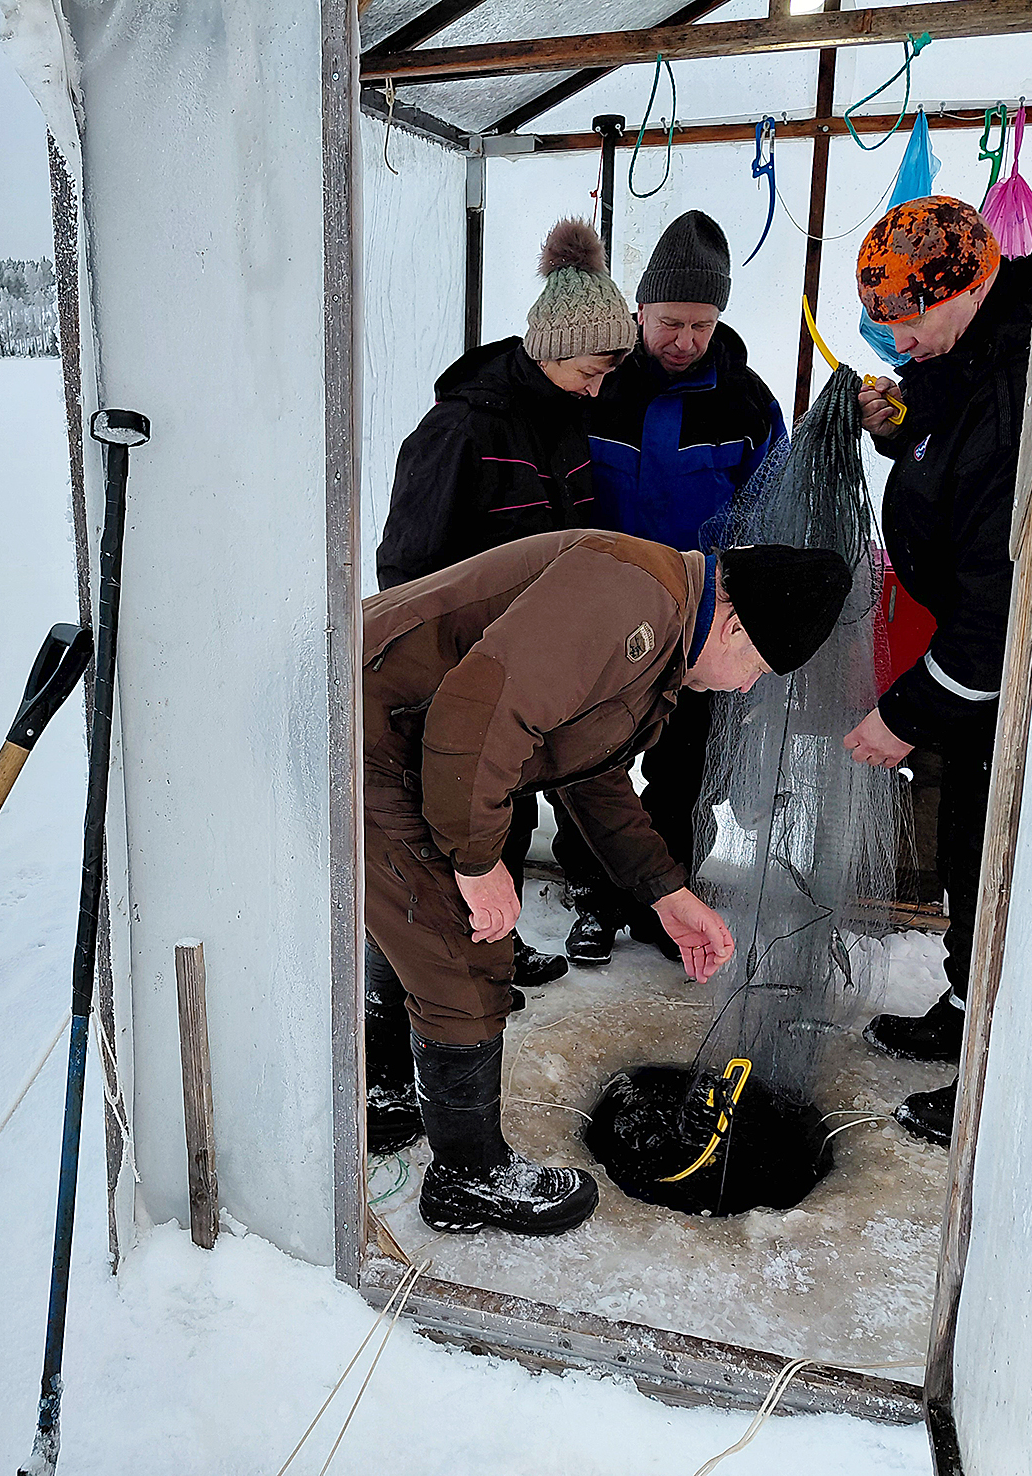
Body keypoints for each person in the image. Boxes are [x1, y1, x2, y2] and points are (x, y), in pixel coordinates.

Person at [364, 530, 851, 1235]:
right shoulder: (629, 596)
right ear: (735, 620)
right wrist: (474, 864)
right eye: (756, 666)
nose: (745, 686)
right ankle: (467, 1179)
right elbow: (480, 713)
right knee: (461, 948)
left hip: (403, 738)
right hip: (370, 733)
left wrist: (662, 889)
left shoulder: (658, 629)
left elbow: (584, 769)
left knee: (413, 921)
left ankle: (384, 1089)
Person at [364, 217, 636, 1155]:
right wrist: (442, 671)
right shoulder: (460, 430)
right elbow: (405, 569)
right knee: (425, 875)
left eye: (608, 375)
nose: (602, 388)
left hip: (515, 683)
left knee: (501, 822)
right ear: (551, 351)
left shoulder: (565, 424)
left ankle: (495, 937)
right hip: (439, 682)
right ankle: (382, 1073)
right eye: (591, 372)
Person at [840, 196, 1032, 1146]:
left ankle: (1002, 1075)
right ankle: (967, 1009)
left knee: (1011, 866)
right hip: (974, 678)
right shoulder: (967, 354)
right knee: (968, 842)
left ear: (962, 288)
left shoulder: (1011, 386)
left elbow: (996, 610)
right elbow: (943, 450)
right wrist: (897, 426)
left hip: (1015, 679)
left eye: (904, 321)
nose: (893, 339)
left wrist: (902, 715)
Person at [564, 210, 788, 968]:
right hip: (599, 615)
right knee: (586, 756)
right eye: (668, 322)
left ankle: (668, 899)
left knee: (680, 766)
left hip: (699, 626)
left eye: (699, 323)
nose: (682, 339)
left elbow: (769, 509)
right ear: (639, 309)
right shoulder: (597, 384)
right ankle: (594, 895)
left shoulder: (748, 403)